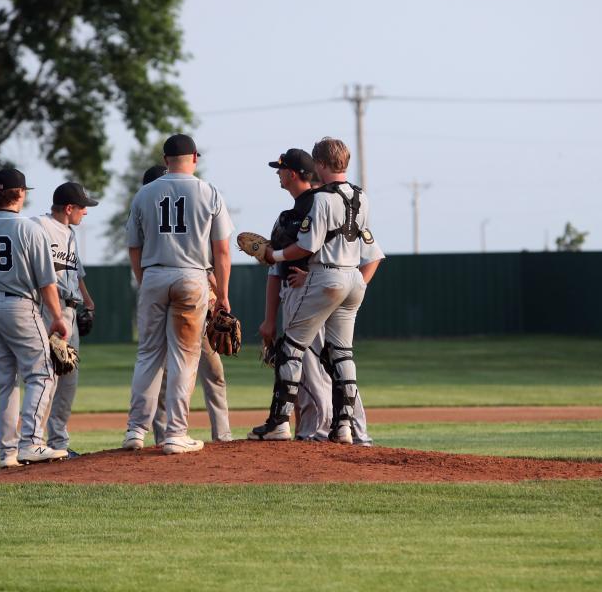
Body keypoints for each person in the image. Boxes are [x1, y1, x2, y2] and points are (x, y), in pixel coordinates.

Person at [248, 137, 383, 444]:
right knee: (341, 354)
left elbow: (307, 246)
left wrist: (275, 256)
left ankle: (279, 423)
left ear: (320, 165)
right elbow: (370, 249)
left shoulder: (322, 200)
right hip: (353, 280)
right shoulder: (362, 197)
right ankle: (343, 428)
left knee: (289, 349)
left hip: (326, 277)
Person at [121, 134, 234, 454]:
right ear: (194, 158)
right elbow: (222, 251)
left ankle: (135, 430)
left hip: (154, 274)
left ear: (165, 158)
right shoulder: (208, 192)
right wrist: (222, 296)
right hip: (193, 276)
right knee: (185, 357)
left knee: (148, 355)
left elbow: (133, 247)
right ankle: (176, 433)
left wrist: (145, 281)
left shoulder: (144, 193)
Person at [0, 168, 69, 468]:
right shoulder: (30, 229)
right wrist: (58, 317)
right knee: (42, 375)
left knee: (5, 382)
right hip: (19, 308)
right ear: (21, 194)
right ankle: (31, 443)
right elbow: (47, 282)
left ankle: (7, 454)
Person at [33, 182, 99, 458]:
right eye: (82, 207)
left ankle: (59, 442)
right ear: (69, 208)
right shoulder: (40, 227)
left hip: (70, 309)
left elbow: (76, 272)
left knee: (68, 375)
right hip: (51, 308)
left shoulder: (70, 234)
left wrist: (88, 303)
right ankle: (35, 441)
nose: (86, 212)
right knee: (48, 375)